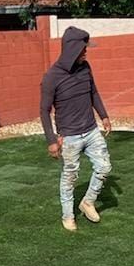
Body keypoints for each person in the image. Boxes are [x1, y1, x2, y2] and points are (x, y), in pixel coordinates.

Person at [40, 25, 112, 232]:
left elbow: (94, 93)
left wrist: (104, 116)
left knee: (104, 167)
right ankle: (68, 215)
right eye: (83, 49)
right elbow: (44, 111)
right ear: (72, 49)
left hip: (91, 131)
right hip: (69, 137)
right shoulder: (51, 77)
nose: (86, 52)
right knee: (70, 176)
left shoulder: (86, 68)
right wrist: (52, 141)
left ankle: (87, 202)